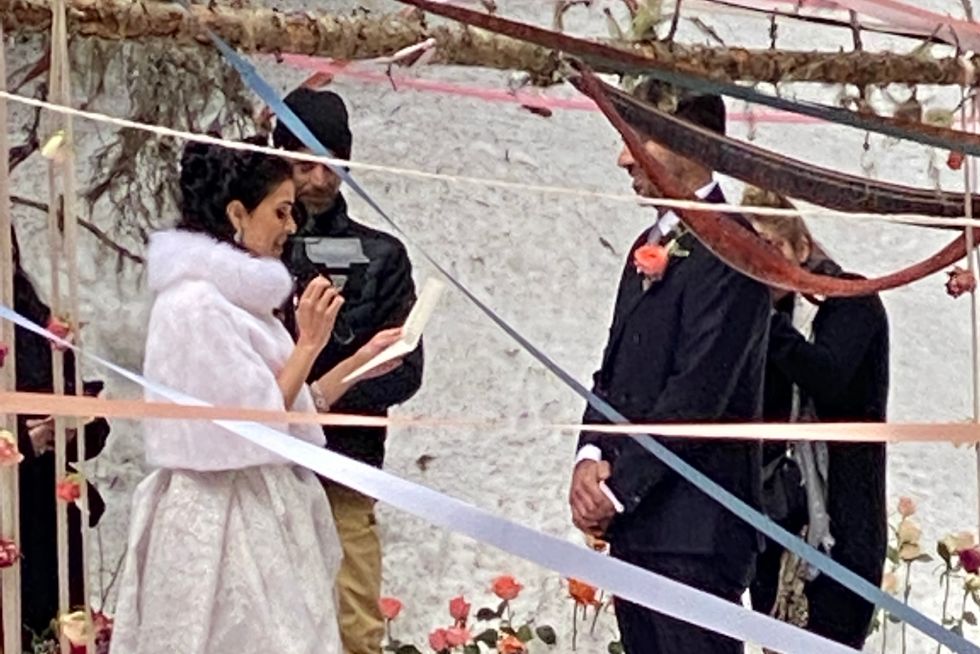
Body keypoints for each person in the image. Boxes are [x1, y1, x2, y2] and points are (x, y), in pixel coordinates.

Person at [110, 140, 402, 654]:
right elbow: (251, 425)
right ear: (237, 214)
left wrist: (360, 362)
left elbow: (288, 407)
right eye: (281, 212)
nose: (291, 227)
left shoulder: (233, 301)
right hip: (218, 516)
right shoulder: (195, 303)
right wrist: (309, 343)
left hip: (260, 503)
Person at [569, 79, 771, 654]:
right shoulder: (648, 242)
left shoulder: (734, 247)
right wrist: (590, 457)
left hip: (696, 532)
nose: (622, 157)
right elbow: (615, 372)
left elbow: (698, 391)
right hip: (641, 524)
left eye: (639, 139)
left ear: (694, 145)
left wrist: (617, 489)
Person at [273, 88, 424, 654]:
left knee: (353, 627)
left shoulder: (383, 253)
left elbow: (406, 370)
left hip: (347, 469)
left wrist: (327, 394)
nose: (315, 178)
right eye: (301, 162)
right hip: (265, 467)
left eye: (328, 162)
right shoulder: (250, 253)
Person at [742, 187, 888, 649]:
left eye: (773, 250)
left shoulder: (851, 300)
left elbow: (827, 375)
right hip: (774, 519)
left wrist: (764, 315)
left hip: (842, 529)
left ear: (802, 247)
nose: (764, 264)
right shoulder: (761, 322)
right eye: (752, 254)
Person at [9, 226, 110, 647]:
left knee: (50, 627)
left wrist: (76, 425)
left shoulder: (33, 320)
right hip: (5, 516)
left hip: (45, 518)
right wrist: (21, 442)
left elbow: (80, 411)